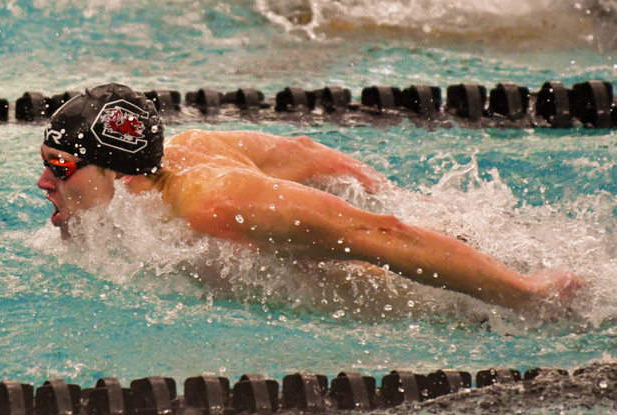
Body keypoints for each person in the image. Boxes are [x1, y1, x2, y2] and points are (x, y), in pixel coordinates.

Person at [37, 83, 582, 312]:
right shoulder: (186, 148)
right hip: (431, 235)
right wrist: (404, 197)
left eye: (59, 168)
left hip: (428, 296)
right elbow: (308, 154)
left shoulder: (214, 203)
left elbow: (379, 235)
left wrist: (527, 294)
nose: (45, 183)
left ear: (118, 173)